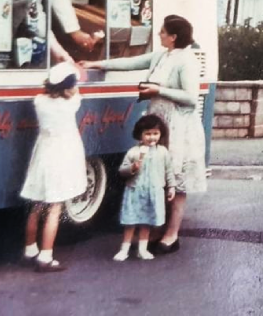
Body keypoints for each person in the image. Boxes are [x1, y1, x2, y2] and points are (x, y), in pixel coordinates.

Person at [81, 15, 206, 254]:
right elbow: (131, 62)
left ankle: (172, 234)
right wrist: (96, 64)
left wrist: (159, 89)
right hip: (159, 123)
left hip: (179, 127)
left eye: (162, 31)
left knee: (176, 182)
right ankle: (158, 229)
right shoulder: (162, 55)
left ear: (173, 37)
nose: (159, 34)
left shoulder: (187, 60)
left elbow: (191, 97)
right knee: (157, 176)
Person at [19, 62, 88, 272]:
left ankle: (30, 249)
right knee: (55, 208)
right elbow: (78, 88)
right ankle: (46, 257)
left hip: (43, 153)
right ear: (68, 88)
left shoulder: (39, 101)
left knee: (37, 204)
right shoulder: (72, 103)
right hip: (63, 154)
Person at [113, 114, 175, 261]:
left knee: (146, 221)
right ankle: (124, 249)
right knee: (131, 221)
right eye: (148, 134)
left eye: (155, 133)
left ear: (161, 134)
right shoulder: (133, 152)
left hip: (153, 191)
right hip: (135, 190)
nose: (152, 137)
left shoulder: (163, 152)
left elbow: (169, 171)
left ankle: (142, 249)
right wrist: (132, 168)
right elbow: (122, 170)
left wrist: (171, 186)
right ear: (140, 134)